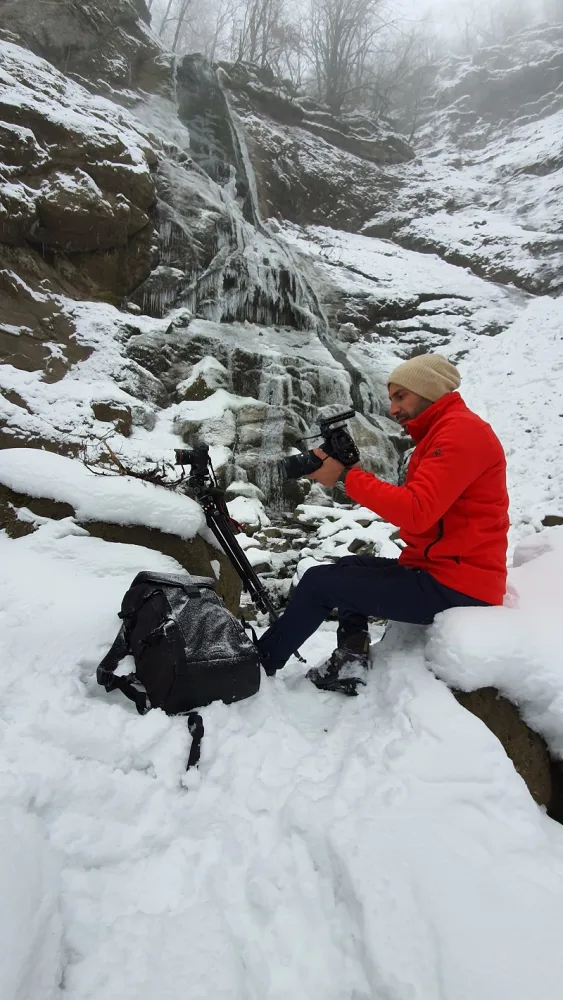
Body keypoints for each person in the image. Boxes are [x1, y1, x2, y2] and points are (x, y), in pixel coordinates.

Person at [258, 353, 509, 695]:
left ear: (430, 390)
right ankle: (350, 657)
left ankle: (256, 667)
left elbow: (416, 511)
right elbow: (425, 516)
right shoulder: (446, 432)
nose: (393, 409)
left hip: (457, 586)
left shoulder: (460, 433)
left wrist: (347, 477)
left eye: (400, 397)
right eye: (391, 399)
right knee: (350, 566)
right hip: (442, 572)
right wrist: (352, 473)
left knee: (318, 583)